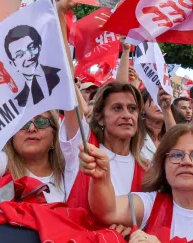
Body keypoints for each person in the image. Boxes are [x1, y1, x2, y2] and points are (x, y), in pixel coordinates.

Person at [63, 82, 149, 210]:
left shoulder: (146, 169)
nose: (127, 115)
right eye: (117, 108)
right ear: (100, 118)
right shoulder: (84, 147)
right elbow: (68, 88)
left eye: (132, 108)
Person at [0, 111, 69, 203]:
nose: (31, 128)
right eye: (22, 123)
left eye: (41, 122)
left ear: (54, 136)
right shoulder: (2, 163)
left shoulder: (67, 170)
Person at [4, 25, 61, 107]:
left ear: (39, 47)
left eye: (32, 47)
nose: (29, 55)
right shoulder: (19, 101)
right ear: (13, 64)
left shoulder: (61, 75)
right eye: (20, 54)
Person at [139, 88, 176, 162]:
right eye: (154, 100)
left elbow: (178, 143)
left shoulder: (171, 133)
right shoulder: (134, 136)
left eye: (164, 100)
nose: (159, 104)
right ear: (142, 107)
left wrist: (166, 109)